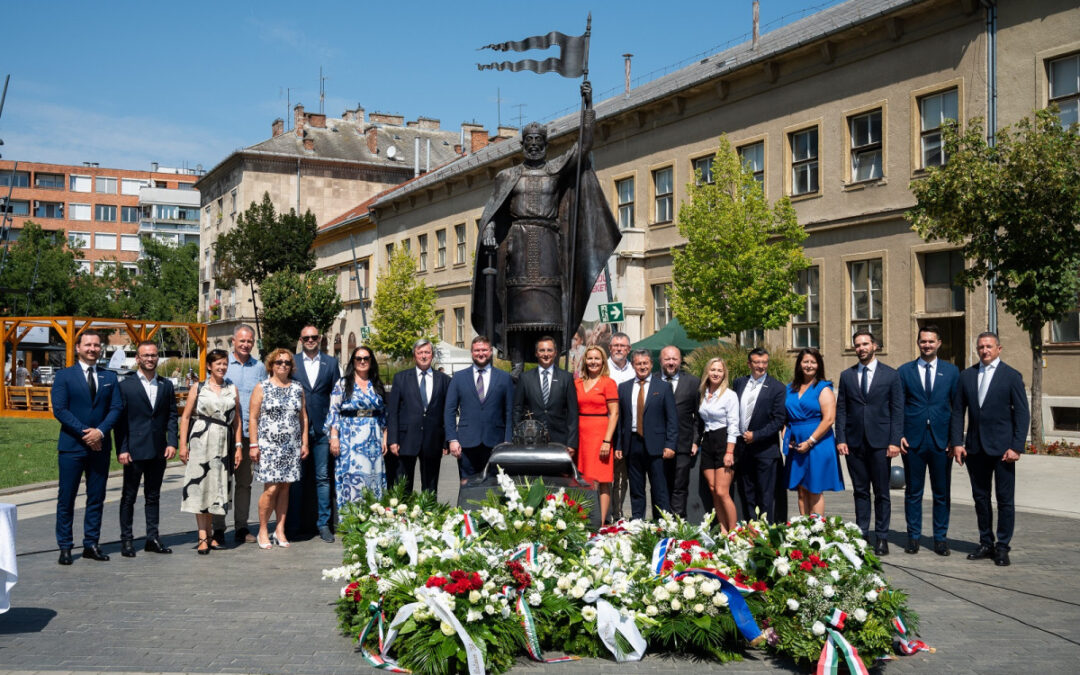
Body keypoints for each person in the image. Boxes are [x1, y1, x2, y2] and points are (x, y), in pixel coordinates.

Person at [472, 82, 620, 380]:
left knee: (550, 308)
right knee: (517, 308)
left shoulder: (556, 169)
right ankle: (515, 367)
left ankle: (549, 366)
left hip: (550, 244)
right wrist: (488, 228)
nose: (535, 145)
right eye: (530, 141)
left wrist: (588, 107)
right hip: (517, 245)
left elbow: (584, 146)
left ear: (546, 144)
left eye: (540, 141)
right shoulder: (508, 176)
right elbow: (491, 211)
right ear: (522, 145)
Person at [950, 332, 1029, 567]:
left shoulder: (1011, 376)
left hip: (1004, 450)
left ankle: (1003, 546)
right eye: (980, 347)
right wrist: (957, 443)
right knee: (980, 499)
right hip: (975, 449)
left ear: (999, 349)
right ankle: (986, 542)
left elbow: (1022, 413)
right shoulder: (967, 376)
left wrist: (1017, 446)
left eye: (989, 346)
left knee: (1005, 500)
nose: (984, 350)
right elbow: (957, 412)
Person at [52, 330, 123, 565]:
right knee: (67, 498)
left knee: (96, 497)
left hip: (100, 446)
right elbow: (60, 410)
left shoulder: (109, 377)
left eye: (96, 345)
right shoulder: (64, 376)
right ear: (78, 347)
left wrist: (100, 432)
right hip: (72, 446)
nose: (92, 349)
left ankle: (91, 543)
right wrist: (86, 433)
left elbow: (116, 409)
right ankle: (65, 546)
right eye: (88, 345)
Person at [835, 331, 904, 555]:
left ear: (875, 346)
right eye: (857, 345)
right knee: (860, 491)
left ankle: (881, 536)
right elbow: (842, 409)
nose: (861, 348)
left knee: (882, 492)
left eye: (865, 344)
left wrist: (894, 441)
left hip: (881, 443)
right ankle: (862, 534)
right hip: (854, 443)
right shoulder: (847, 375)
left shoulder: (891, 375)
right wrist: (841, 438)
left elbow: (897, 410)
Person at [897, 325, 959, 556]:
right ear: (918, 343)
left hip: (942, 442)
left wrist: (955, 439)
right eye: (923, 341)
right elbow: (898, 406)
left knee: (941, 492)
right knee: (913, 491)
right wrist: (899, 434)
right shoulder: (904, 371)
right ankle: (913, 536)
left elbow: (957, 409)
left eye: (931, 341)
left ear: (939, 343)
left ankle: (940, 538)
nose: (927, 345)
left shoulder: (952, 372)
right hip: (913, 441)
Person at [114, 340, 178, 558]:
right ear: (138, 359)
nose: (150, 359)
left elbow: (171, 415)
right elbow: (120, 421)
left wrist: (172, 442)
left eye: (154, 355)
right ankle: (127, 540)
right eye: (146, 355)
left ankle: (152, 537)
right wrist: (122, 449)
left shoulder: (166, 385)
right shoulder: (125, 386)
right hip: (133, 449)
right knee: (129, 497)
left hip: (158, 449)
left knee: (153, 496)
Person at [178, 349, 242, 555]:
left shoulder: (232, 387)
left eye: (224, 363)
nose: (222, 367)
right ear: (209, 366)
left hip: (223, 441)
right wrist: (183, 445)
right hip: (201, 439)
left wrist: (239, 446)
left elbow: (237, 420)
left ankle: (213, 533)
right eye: (218, 364)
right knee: (200, 487)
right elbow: (186, 417)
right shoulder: (199, 387)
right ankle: (202, 536)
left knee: (216, 488)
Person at [248, 349, 308, 549]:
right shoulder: (262, 387)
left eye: (287, 362)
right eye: (278, 362)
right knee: (271, 488)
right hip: (269, 447)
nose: (283, 365)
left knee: (285, 487)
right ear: (271, 365)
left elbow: (303, 417)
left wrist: (304, 442)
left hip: (291, 446)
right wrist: (253, 444)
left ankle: (280, 529)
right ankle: (263, 530)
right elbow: (254, 417)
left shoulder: (297, 388)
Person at [290, 325, 341, 543]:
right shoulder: (291, 362)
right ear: (300, 340)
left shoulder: (331, 363)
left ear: (319, 339)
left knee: (322, 478)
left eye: (314, 337)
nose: (310, 340)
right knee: (296, 479)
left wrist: (333, 430)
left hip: (322, 429)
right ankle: (293, 525)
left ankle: (324, 524)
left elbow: (336, 397)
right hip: (296, 430)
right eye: (306, 337)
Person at [615, 349, 678, 520]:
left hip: (657, 446)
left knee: (659, 488)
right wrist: (619, 445)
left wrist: (670, 444)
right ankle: (637, 521)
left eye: (645, 363)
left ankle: (663, 523)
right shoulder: (624, 388)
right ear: (633, 365)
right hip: (632, 443)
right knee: (636, 488)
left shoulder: (664, 387)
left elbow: (672, 419)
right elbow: (621, 420)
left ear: (651, 364)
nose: (642, 366)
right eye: (638, 363)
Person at [217, 324, 265, 546]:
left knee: (244, 483)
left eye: (250, 341)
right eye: (242, 341)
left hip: (249, 435)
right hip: (223, 433)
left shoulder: (260, 368)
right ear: (233, 341)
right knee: (220, 481)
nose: (246, 345)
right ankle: (217, 528)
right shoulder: (224, 365)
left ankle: (241, 526)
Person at [445, 336, 515, 483]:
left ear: (491, 352)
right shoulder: (458, 378)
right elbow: (449, 410)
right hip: (466, 444)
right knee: (467, 487)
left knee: (495, 488)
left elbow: (510, 412)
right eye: (477, 350)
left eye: (484, 350)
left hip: (496, 443)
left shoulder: (504, 378)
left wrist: (508, 441)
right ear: (471, 352)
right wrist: (452, 439)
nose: (481, 353)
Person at [325, 345, 388, 504]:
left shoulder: (376, 384)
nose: (362, 361)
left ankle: (373, 518)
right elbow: (334, 410)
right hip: (349, 438)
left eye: (366, 358)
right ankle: (351, 520)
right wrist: (334, 437)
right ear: (353, 361)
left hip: (373, 439)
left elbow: (383, 413)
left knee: (373, 478)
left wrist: (385, 438)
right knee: (351, 477)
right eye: (358, 358)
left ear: (371, 361)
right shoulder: (343, 384)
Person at [785, 348, 845, 517]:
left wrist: (810, 441)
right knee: (801, 489)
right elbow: (785, 417)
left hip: (817, 443)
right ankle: (803, 529)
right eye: (805, 361)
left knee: (814, 488)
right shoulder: (790, 388)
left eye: (813, 362)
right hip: (796, 443)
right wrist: (785, 435)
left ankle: (816, 529)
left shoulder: (823, 388)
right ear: (799, 364)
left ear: (818, 365)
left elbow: (829, 419)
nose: (809, 365)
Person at [387, 338, 451, 493]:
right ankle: (403, 517)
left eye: (427, 352)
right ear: (414, 355)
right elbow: (393, 411)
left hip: (433, 440)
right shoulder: (401, 378)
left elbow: (447, 412)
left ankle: (428, 516)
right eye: (420, 352)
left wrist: (446, 442)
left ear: (432, 355)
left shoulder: (444, 380)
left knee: (430, 487)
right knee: (403, 486)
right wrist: (393, 439)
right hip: (405, 439)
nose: (424, 356)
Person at [732, 348, 788, 523]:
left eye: (764, 363)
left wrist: (756, 435)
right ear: (749, 364)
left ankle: (766, 531)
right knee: (747, 492)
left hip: (765, 450)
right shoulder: (739, 383)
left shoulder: (777, 387)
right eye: (757, 362)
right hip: (742, 449)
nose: (761, 366)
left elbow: (779, 420)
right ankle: (751, 528)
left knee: (765, 495)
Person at [694, 357, 740, 531]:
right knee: (713, 489)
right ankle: (723, 529)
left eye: (719, 370)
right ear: (707, 371)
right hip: (708, 442)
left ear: (724, 374)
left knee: (722, 491)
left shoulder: (730, 395)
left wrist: (729, 452)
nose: (716, 373)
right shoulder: (703, 393)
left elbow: (734, 425)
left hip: (724, 441)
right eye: (713, 370)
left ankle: (734, 531)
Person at [574, 345, 619, 524]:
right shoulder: (576, 383)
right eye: (590, 358)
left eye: (597, 359)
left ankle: (600, 523)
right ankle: (582, 518)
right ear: (585, 360)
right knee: (581, 478)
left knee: (603, 479)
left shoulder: (608, 383)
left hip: (600, 433)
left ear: (603, 362)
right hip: (580, 433)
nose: (593, 362)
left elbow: (614, 413)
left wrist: (607, 440)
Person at [513, 336, 579, 452]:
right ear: (536, 353)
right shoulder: (525, 378)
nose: (546, 354)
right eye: (542, 350)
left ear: (555, 353)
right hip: (531, 439)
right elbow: (517, 409)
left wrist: (571, 443)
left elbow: (572, 413)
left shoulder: (566, 378)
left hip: (559, 440)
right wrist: (516, 437)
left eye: (549, 350)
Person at [658, 346, 701, 519]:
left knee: (679, 486)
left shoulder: (693, 382)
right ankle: (659, 522)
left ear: (680, 360)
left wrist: (696, 440)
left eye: (674, 359)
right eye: (667, 359)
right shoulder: (652, 380)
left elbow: (699, 416)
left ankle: (678, 523)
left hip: (684, 443)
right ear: (660, 361)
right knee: (659, 486)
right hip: (658, 444)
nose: (671, 362)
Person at [606, 332, 635, 521]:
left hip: (626, 430)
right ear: (610, 348)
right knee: (604, 474)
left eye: (623, 346)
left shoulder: (635, 370)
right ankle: (604, 512)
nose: (619, 349)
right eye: (615, 345)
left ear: (629, 349)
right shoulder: (603, 368)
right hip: (605, 428)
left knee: (622, 476)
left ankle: (617, 512)